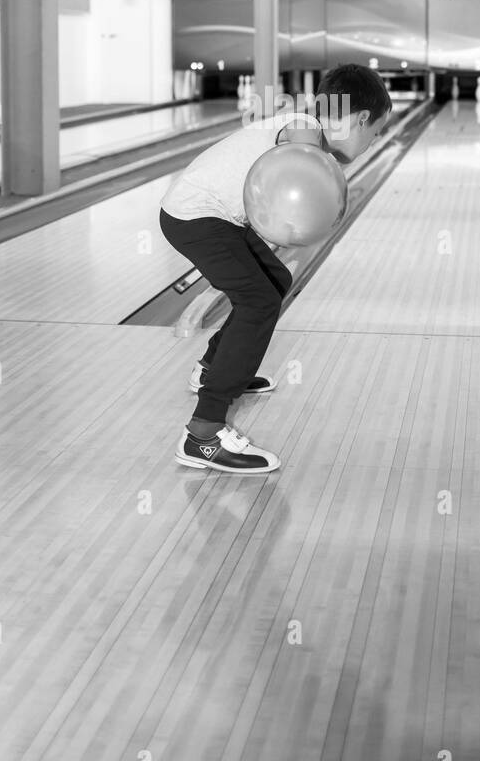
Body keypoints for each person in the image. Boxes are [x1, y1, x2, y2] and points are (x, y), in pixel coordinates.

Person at [159, 63, 393, 475]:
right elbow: (297, 154)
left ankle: (213, 368)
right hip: (196, 216)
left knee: (275, 281)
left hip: (214, 216)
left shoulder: (307, 127)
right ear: (359, 119)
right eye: (375, 133)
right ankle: (203, 435)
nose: (374, 143)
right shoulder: (305, 129)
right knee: (257, 301)